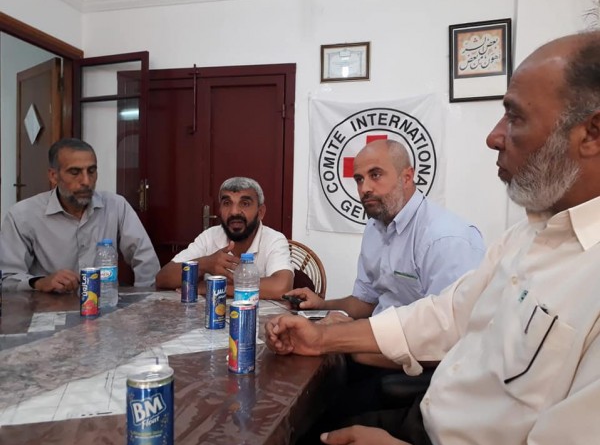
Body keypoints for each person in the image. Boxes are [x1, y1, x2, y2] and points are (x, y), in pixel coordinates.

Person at [266, 31, 600, 445]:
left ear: (592, 133)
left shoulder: (448, 238)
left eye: (515, 118)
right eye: (358, 178)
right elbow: (448, 316)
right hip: (427, 415)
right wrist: (322, 336)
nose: (494, 136)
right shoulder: (527, 233)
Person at [286, 139, 485, 320]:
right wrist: (322, 306)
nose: (364, 188)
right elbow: (366, 301)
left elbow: (446, 330)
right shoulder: (374, 227)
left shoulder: (446, 239)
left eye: (375, 175)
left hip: (420, 348)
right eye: (359, 179)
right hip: (379, 338)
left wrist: (347, 336)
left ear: (407, 177)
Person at [0, 138, 160, 293]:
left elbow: (146, 261)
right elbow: (7, 278)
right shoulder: (22, 215)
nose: (86, 181)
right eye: (75, 172)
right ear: (53, 176)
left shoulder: (116, 206)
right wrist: (40, 282)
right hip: (48, 306)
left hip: (104, 304)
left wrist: (145, 300)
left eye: (91, 171)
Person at [155, 177, 293, 298]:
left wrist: (215, 288)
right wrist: (205, 264)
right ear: (220, 210)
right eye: (227, 203)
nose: (234, 212)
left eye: (245, 203)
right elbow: (163, 278)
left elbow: (281, 287)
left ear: (261, 212)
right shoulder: (210, 236)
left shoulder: (274, 239)